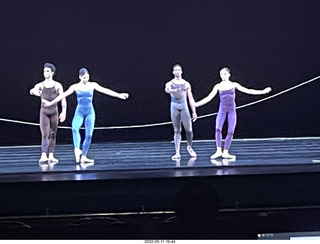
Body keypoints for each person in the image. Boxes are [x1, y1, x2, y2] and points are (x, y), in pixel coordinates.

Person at [42, 67, 129, 164]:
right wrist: (50, 104)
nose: (86, 79)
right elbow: (62, 96)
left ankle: (84, 156)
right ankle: (76, 149)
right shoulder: (75, 87)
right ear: (80, 77)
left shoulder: (92, 85)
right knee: (74, 128)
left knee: (89, 135)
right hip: (79, 112)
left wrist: (119, 95)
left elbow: (106, 91)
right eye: (84, 78)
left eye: (87, 77)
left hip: (89, 113)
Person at [195, 67, 272, 159]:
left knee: (230, 131)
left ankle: (226, 152)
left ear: (229, 75)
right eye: (221, 74)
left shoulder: (234, 85)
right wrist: (196, 104)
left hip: (231, 110)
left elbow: (248, 91)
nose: (223, 76)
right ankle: (218, 150)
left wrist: (263, 92)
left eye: (224, 74)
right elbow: (209, 98)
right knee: (218, 128)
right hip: (222, 110)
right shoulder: (218, 86)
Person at [30, 62, 67, 164]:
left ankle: (51, 155)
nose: (45, 73)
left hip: (54, 112)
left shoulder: (57, 85)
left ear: (52, 72)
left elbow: (63, 99)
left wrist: (63, 112)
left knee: (53, 134)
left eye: (47, 71)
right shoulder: (40, 85)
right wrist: (34, 91)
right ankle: (43, 155)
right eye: (44, 71)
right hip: (44, 112)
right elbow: (32, 90)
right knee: (45, 133)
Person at [165, 64, 197, 160]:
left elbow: (190, 98)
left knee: (189, 130)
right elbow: (167, 90)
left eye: (179, 70)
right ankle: (177, 152)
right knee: (177, 130)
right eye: (176, 70)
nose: (178, 71)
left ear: (181, 71)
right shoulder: (169, 83)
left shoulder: (186, 84)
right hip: (174, 106)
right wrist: (175, 90)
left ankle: (189, 146)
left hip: (184, 106)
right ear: (173, 72)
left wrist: (194, 111)